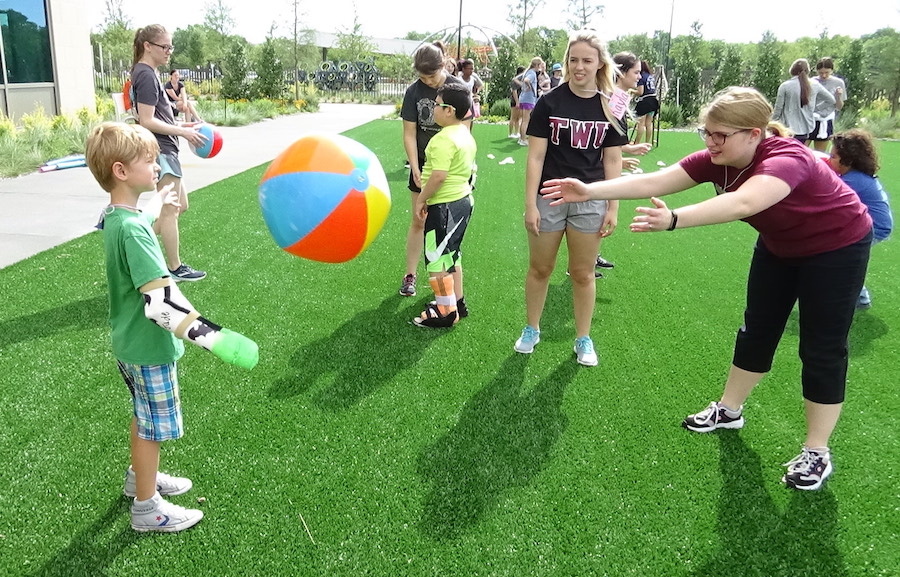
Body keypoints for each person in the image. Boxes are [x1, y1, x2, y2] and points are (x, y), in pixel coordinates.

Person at [541, 86, 872, 490]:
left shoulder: (788, 158)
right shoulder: (721, 159)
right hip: (780, 246)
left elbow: (743, 204)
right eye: (707, 132)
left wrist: (675, 220)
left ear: (754, 134)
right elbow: (659, 180)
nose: (711, 142)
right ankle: (729, 410)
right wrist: (590, 189)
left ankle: (816, 451)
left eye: (721, 135)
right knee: (757, 330)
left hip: (837, 247)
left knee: (821, 348)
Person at [84, 122, 259, 532]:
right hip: (148, 346)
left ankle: (137, 478)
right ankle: (147, 508)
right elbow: (159, 305)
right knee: (153, 425)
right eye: (148, 160)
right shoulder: (133, 233)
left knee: (142, 416)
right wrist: (216, 338)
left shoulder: (117, 218)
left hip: (128, 344)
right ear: (121, 171)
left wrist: (159, 201)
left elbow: (138, 222)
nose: (157, 164)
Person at [515, 30, 627, 367]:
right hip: (549, 197)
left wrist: (613, 205)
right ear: (567, 62)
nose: (579, 67)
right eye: (574, 60)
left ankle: (583, 338)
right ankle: (532, 328)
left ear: (599, 64)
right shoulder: (549, 102)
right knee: (541, 268)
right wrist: (530, 204)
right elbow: (535, 157)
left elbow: (613, 159)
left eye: (587, 60)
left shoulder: (612, 104)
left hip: (591, 199)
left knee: (582, 273)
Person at [131, 25, 207, 282]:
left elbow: (159, 116)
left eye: (170, 46)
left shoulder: (147, 73)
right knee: (171, 209)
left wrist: (183, 126)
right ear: (147, 46)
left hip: (166, 148)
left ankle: (138, 245)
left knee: (179, 205)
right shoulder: (146, 75)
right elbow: (146, 120)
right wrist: (182, 132)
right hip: (160, 150)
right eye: (165, 47)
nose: (169, 52)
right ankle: (174, 268)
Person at [399, 42, 469, 315]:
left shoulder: (456, 89)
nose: (427, 82)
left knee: (445, 232)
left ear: (444, 65)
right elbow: (409, 132)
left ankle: (450, 297)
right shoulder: (413, 92)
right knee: (419, 220)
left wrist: (464, 169)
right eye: (423, 77)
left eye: (431, 76)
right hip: (423, 167)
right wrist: (415, 168)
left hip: (449, 172)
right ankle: (410, 275)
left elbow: (466, 132)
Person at [411, 84, 477, 327]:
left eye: (437, 105)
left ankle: (445, 311)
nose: (433, 109)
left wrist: (422, 198)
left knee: (437, 259)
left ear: (449, 110)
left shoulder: (442, 140)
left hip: (445, 206)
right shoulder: (464, 134)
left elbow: (438, 175)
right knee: (451, 255)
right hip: (462, 201)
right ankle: (456, 301)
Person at [590, 51, 652, 278]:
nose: (639, 77)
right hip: (595, 167)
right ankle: (585, 260)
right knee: (600, 211)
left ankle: (590, 257)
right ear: (622, 72)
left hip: (601, 162)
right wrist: (621, 154)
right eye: (636, 72)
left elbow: (609, 138)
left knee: (600, 212)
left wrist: (624, 151)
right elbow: (604, 137)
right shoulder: (614, 97)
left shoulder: (619, 96)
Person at [828, 129, 892, 309]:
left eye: (833, 156)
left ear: (847, 160)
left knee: (841, 257)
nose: (829, 159)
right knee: (842, 258)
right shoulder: (853, 176)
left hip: (874, 227)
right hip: (871, 223)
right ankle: (858, 297)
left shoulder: (853, 181)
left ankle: (860, 298)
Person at [773, 58, 835, 143]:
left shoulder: (785, 86)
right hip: (806, 129)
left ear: (792, 71)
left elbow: (778, 109)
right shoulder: (815, 85)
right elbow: (831, 100)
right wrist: (814, 108)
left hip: (787, 129)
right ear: (808, 71)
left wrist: (772, 123)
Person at [809, 57, 846, 152]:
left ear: (832, 71)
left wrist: (838, 96)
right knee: (802, 150)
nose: (824, 75)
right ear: (817, 71)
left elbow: (839, 107)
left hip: (826, 120)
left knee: (820, 154)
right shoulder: (812, 81)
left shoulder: (838, 83)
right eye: (821, 73)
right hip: (810, 119)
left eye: (827, 72)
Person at [517, 57, 544, 147]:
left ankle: (521, 138)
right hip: (528, 99)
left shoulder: (527, 72)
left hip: (523, 98)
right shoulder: (532, 73)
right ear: (536, 65)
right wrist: (530, 88)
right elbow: (526, 80)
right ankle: (523, 139)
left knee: (524, 120)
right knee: (526, 120)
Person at [633, 60, 659, 146]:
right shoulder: (650, 76)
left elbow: (640, 92)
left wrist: (631, 91)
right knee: (649, 123)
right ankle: (647, 143)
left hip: (645, 101)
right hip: (653, 100)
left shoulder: (641, 77)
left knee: (641, 123)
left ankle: (637, 143)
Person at [509, 66, 526, 140]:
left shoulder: (521, 81)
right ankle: (510, 133)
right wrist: (517, 102)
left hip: (520, 100)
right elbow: (514, 91)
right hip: (515, 100)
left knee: (518, 118)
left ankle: (516, 132)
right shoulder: (515, 81)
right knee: (513, 117)